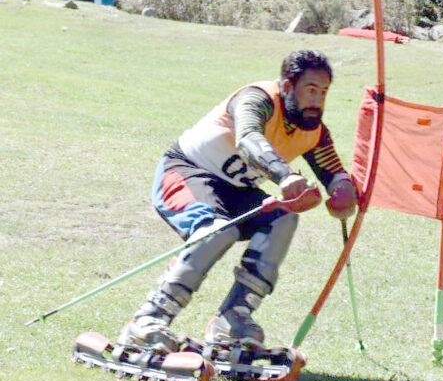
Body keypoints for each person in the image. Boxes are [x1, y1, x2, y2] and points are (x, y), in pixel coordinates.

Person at [118, 49, 357, 353]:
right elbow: (249, 138)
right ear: (287, 86)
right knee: (216, 230)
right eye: (310, 90)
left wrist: (344, 193)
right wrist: (284, 176)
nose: (318, 101)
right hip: (188, 172)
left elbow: (334, 172)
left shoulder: (312, 131)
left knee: (283, 219)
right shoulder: (257, 99)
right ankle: (148, 320)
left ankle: (233, 321)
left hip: (238, 191)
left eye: (324, 92)